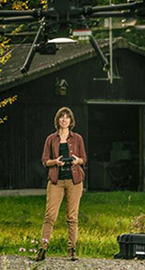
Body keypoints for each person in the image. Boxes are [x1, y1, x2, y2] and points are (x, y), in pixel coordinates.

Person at [35, 107, 87, 261]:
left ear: (71, 121)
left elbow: (84, 158)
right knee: (50, 216)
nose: (64, 120)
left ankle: (72, 250)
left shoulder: (78, 138)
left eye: (67, 117)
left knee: (72, 217)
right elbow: (45, 161)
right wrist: (55, 162)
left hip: (74, 181)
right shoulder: (51, 139)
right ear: (57, 120)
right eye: (62, 117)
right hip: (56, 181)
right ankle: (42, 249)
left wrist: (78, 160)